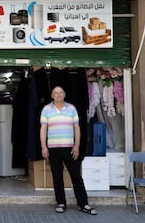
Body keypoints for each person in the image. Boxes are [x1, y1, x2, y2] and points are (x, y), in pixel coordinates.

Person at [39, 86, 97, 215]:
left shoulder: (71, 108)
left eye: (61, 93)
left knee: (76, 176)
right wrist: (44, 146)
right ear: (52, 95)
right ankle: (61, 203)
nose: (58, 95)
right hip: (53, 149)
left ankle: (83, 204)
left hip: (69, 148)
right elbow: (43, 129)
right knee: (57, 177)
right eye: (56, 93)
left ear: (64, 95)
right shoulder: (46, 109)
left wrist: (76, 146)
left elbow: (77, 127)